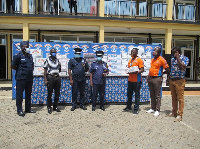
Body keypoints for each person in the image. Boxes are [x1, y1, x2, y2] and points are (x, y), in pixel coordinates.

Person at [11, 41, 35, 117]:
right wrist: (20, 71)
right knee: (19, 95)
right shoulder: (18, 56)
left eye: (27, 46)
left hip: (29, 78)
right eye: (24, 46)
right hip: (21, 78)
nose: (25, 48)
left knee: (28, 94)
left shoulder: (30, 56)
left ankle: (28, 109)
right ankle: (19, 110)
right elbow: (13, 66)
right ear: (21, 47)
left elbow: (32, 65)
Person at [146, 46, 170, 117]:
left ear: (159, 52)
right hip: (150, 78)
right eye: (153, 51)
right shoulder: (153, 59)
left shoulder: (162, 59)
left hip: (157, 78)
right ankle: (152, 108)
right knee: (152, 94)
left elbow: (168, 69)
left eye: (155, 51)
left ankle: (157, 110)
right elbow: (152, 68)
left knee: (157, 95)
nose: (153, 52)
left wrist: (163, 75)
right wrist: (148, 76)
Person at [168, 47, 189, 122]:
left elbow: (183, 67)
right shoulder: (172, 59)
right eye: (173, 53)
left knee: (180, 98)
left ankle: (180, 114)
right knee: (174, 97)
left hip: (180, 80)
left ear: (178, 52)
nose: (173, 54)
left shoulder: (185, 58)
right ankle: (174, 112)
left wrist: (178, 58)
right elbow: (172, 69)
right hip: (172, 80)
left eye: (174, 52)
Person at [123, 48, 144, 114]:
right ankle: (128, 106)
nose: (132, 53)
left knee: (137, 95)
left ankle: (136, 109)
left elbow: (142, 69)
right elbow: (129, 69)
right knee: (129, 94)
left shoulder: (139, 60)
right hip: (130, 80)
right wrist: (128, 71)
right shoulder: (130, 61)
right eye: (132, 52)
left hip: (137, 80)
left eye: (134, 52)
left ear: (137, 53)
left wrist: (136, 72)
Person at [43, 48, 61, 114]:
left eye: (55, 52)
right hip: (50, 77)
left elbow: (59, 69)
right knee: (50, 93)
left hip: (57, 77)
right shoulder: (47, 60)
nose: (54, 53)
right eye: (53, 52)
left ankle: (55, 107)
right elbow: (45, 70)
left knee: (57, 93)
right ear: (50, 53)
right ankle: (49, 107)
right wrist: (45, 80)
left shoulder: (57, 60)